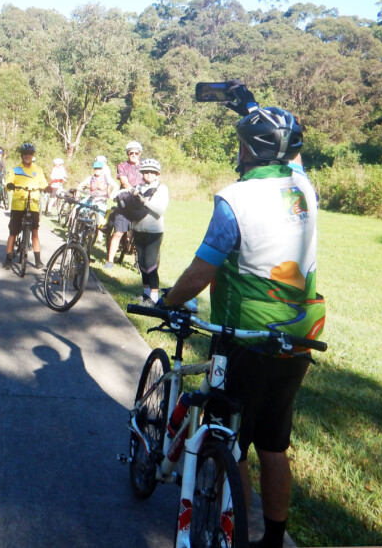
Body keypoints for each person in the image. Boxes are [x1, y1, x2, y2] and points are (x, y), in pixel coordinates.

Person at [159, 106, 324, 548]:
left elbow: (201, 272)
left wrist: (167, 300)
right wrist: (258, 112)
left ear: (247, 150)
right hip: (296, 337)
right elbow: (292, 157)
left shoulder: (236, 198)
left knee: (234, 446)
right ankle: (273, 539)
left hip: (243, 338)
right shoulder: (304, 188)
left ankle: (235, 537)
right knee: (274, 445)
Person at [3, 142, 51, 270]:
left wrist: (47, 187)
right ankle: (8, 259)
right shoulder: (15, 170)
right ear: (21, 155)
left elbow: (43, 183)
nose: (28, 156)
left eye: (30, 154)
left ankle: (38, 261)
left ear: (33, 155)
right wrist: (10, 185)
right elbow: (8, 183)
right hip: (18, 204)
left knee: (35, 232)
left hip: (33, 204)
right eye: (25, 154)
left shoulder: (38, 170)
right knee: (13, 232)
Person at [129, 158, 169, 304]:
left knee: (150, 263)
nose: (149, 174)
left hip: (154, 232)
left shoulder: (161, 189)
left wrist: (145, 201)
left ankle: (154, 297)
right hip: (138, 229)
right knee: (141, 263)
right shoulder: (138, 187)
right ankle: (146, 293)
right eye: (146, 172)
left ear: (157, 174)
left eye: (152, 172)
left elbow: (160, 210)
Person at [104, 141, 144, 269]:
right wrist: (134, 191)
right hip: (125, 202)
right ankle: (110, 261)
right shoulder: (122, 166)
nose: (133, 155)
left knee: (140, 234)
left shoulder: (144, 166)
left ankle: (138, 261)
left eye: (136, 153)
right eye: (131, 152)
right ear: (127, 153)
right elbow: (124, 182)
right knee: (118, 233)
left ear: (139, 153)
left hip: (140, 202)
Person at [76, 160, 117, 227]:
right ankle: (75, 227)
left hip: (101, 200)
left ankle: (97, 232)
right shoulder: (91, 178)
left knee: (100, 219)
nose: (97, 170)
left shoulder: (106, 177)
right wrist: (77, 195)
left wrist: (111, 194)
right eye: (96, 168)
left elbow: (116, 186)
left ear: (102, 169)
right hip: (91, 199)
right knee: (78, 208)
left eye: (99, 168)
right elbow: (81, 185)